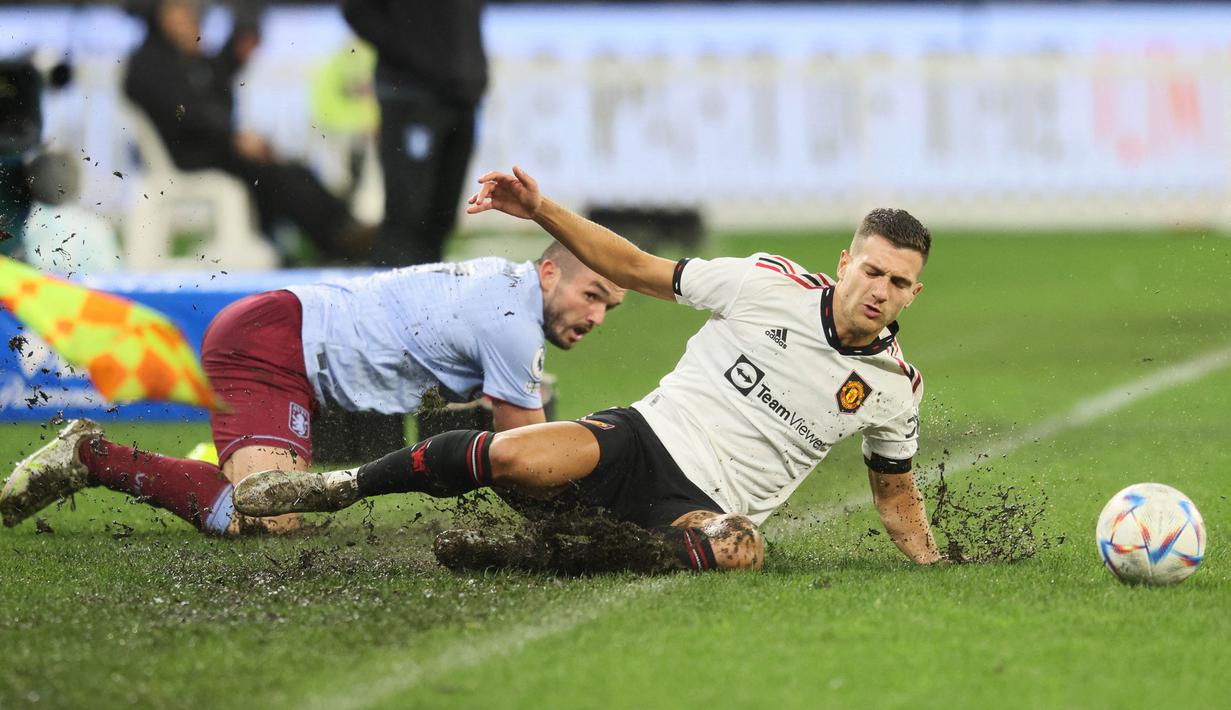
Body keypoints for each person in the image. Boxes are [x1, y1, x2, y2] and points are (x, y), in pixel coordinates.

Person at [228, 166, 944, 573]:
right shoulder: (764, 284)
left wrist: (931, 564)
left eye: (898, 283)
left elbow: (894, 495)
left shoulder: (892, 390)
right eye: (871, 270)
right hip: (641, 440)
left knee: (740, 549)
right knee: (511, 456)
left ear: (914, 293)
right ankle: (340, 485)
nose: (879, 291)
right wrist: (540, 209)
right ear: (847, 263)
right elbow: (633, 265)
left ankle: (531, 557)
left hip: (700, 505)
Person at [0, 240, 624, 535]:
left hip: (292, 340)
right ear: (548, 272)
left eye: (611, 308)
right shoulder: (512, 323)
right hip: (269, 346)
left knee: (270, 501)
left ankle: (219, 463)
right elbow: (535, 457)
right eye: (591, 295)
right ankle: (91, 456)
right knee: (267, 520)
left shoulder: (505, 287)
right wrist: (612, 526)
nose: (597, 318)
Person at [123, 0, 373, 262]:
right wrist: (234, 139)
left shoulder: (185, 58)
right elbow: (188, 114)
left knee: (286, 169)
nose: (187, 19)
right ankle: (337, 238)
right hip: (188, 159)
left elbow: (216, 95)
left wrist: (209, 59)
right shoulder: (147, 63)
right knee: (272, 174)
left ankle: (337, 230)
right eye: (178, 12)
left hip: (216, 148)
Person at [341, 0, 487, 266]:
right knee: (407, 214)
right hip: (411, 94)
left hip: (463, 94)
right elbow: (356, 10)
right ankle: (390, 300)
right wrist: (415, 54)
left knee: (442, 215)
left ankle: (428, 299)